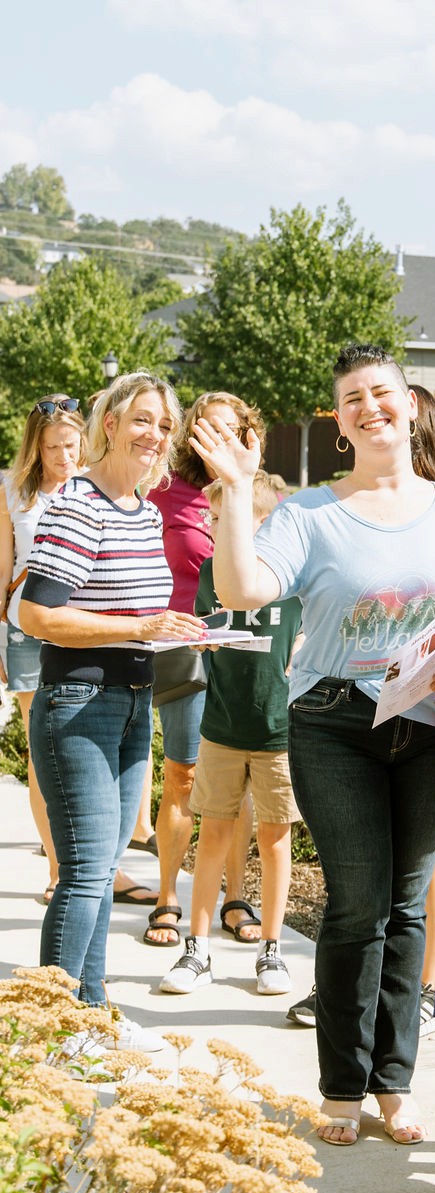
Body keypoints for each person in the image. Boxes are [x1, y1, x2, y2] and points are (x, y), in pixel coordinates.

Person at [190, 343, 435, 1146]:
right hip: (334, 722)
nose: (370, 407)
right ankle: (341, 1087)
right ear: (341, 421)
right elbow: (240, 590)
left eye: (382, 393)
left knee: (407, 907)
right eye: (352, 400)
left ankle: (392, 1083)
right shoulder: (308, 515)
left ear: (409, 403)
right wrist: (233, 489)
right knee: (358, 904)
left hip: (430, 723)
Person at [19, 372, 207, 1048]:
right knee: (85, 877)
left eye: (164, 424)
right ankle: (52, 1037)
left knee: (100, 873)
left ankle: (90, 1016)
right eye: (142, 420)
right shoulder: (78, 502)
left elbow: (136, 611)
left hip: (133, 701)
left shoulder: (144, 510)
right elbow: (37, 612)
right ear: (110, 422)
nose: (154, 435)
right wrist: (139, 629)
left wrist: (178, 629)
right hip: (79, 701)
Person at [283, 384, 435, 1034]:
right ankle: (362, 995)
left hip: (431, 711)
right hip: (363, 709)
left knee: (425, 868)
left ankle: (420, 989)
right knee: (371, 882)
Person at [0, 398, 159, 909]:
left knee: (101, 791)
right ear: (36, 451)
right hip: (32, 632)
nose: (64, 456)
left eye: (72, 445)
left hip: (109, 640)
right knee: (45, 753)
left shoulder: (107, 492)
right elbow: (9, 580)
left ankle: (93, 870)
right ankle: (57, 866)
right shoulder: (19, 496)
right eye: (53, 448)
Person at [160, 471, 303, 998]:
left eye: (218, 518)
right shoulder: (210, 574)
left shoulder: (293, 580)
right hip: (220, 727)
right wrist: (201, 642)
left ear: (257, 522)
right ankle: (195, 950)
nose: (207, 523)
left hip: (279, 733)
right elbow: (205, 630)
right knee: (214, 835)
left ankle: (271, 949)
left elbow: (306, 642)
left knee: (275, 839)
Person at [143, 393, 266, 948]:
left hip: (243, 650)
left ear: (246, 434)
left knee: (238, 782)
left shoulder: (258, 495)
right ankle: (168, 895)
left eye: (229, 428)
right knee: (183, 775)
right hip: (184, 650)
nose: (215, 437)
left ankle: (234, 896)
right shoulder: (165, 492)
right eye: (205, 427)